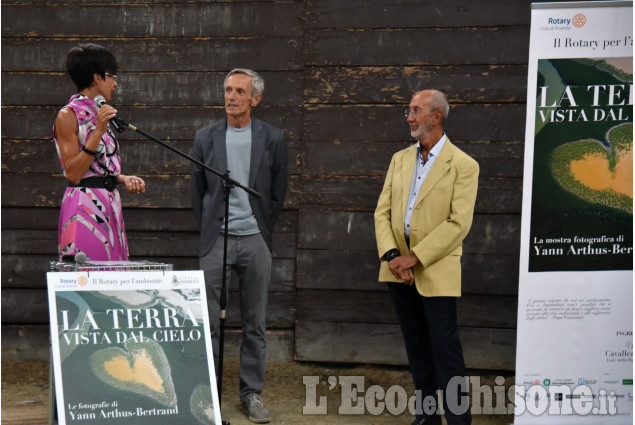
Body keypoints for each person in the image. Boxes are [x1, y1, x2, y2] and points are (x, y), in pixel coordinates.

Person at [374, 90, 479, 425]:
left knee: (446, 353)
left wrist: (415, 258)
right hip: (397, 271)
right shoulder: (399, 159)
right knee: (417, 350)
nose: (409, 117)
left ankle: (459, 421)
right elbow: (382, 212)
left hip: (435, 271)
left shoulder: (463, 165)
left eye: (416, 110)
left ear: (436, 116)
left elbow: (458, 224)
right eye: (408, 111)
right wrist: (393, 256)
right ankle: (427, 418)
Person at [191, 68, 288, 424]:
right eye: (227, 90)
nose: (231, 96)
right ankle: (208, 396)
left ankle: (251, 394)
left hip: (255, 241)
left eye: (239, 91)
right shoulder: (205, 137)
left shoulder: (273, 138)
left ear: (255, 99)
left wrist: (262, 228)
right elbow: (197, 192)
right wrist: (208, 231)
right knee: (209, 323)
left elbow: (278, 193)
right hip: (216, 241)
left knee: (254, 322)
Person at [54, 43, 145, 262]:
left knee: (111, 280)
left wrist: (122, 178)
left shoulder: (101, 113)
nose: (115, 83)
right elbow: (74, 173)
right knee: (86, 278)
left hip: (109, 202)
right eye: (112, 76)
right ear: (98, 77)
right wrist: (98, 133)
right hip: (84, 206)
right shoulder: (68, 115)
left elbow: (97, 167)